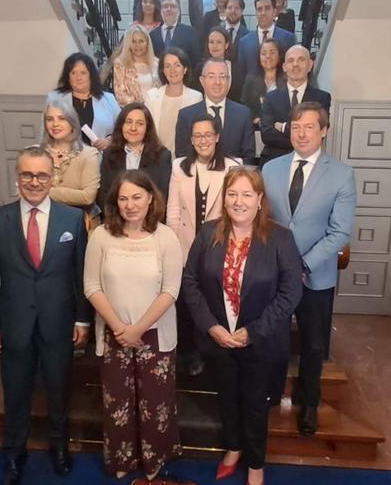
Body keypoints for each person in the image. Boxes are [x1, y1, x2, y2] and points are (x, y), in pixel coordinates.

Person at [182, 167, 302, 485]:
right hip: (218, 339)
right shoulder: (208, 233)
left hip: (260, 342)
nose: (239, 201)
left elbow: (291, 292)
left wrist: (253, 331)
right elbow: (190, 281)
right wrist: (211, 327)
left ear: (260, 199)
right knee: (227, 397)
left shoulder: (281, 238)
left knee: (255, 405)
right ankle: (233, 448)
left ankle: (255, 463)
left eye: (247, 194)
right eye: (232, 194)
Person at [0, 147, 89, 485]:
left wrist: (82, 320)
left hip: (59, 322)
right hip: (13, 324)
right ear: (17, 176)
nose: (34, 182)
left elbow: (80, 274)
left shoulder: (72, 219)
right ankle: (14, 454)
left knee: (58, 390)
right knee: (15, 392)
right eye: (27, 174)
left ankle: (59, 447)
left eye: (42, 175)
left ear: (53, 176)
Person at [262, 102, 356, 437]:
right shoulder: (270, 168)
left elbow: (340, 231)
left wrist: (303, 263)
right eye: (296, 126)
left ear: (324, 131)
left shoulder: (342, 174)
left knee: (314, 344)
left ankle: (309, 404)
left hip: (315, 276)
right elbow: (262, 220)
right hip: (272, 274)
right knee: (271, 337)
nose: (301, 133)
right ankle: (271, 396)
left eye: (309, 127)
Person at [84, 170, 183, 484]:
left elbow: (171, 289)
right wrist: (120, 328)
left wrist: (138, 328)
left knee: (156, 402)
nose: (130, 205)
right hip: (115, 335)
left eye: (136, 197)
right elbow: (90, 286)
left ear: (151, 198)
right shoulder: (101, 235)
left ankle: (154, 459)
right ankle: (123, 458)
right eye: (123, 198)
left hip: (155, 335)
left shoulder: (165, 237)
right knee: (118, 402)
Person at [167, 114, 241, 376]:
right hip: (185, 245)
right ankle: (188, 353)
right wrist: (174, 250)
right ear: (191, 139)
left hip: (217, 246)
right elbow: (174, 211)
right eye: (197, 135)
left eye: (207, 135)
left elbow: (234, 211)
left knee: (212, 301)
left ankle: (207, 353)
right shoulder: (179, 167)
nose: (202, 140)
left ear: (217, 137)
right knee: (186, 302)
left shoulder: (233, 166)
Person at [259, 44, 331, 166]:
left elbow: (318, 135)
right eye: (290, 61)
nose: (295, 65)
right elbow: (267, 135)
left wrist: (283, 127)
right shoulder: (271, 97)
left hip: (309, 162)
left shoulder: (322, 98)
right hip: (274, 161)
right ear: (284, 67)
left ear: (310, 65)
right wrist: (304, 137)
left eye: (301, 60)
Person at [175, 58, 256, 165]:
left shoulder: (243, 114)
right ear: (202, 81)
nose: (217, 82)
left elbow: (249, 156)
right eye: (211, 76)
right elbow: (182, 156)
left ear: (229, 80)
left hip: (233, 178)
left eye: (222, 77)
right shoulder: (186, 116)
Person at [98, 103, 173, 211]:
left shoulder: (162, 156)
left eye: (140, 123)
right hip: (116, 221)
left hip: (150, 222)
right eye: (128, 122)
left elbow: (162, 197)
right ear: (121, 125)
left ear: (147, 128)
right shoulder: (109, 154)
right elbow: (104, 195)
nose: (133, 128)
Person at [41, 94, 101, 228]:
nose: (55, 124)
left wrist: (45, 191)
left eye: (61, 118)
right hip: (43, 222)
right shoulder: (35, 153)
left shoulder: (88, 154)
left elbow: (88, 197)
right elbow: (22, 193)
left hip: (81, 224)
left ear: (72, 122)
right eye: (50, 119)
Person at [54, 53, 121, 151]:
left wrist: (110, 140)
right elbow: (47, 133)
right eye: (73, 73)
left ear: (91, 75)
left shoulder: (108, 99)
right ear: (67, 77)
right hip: (66, 158)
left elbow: (122, 127)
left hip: (101, 159)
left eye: (83, 73)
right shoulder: (57, 100)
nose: (78, 78)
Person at [144, 47, 203, 154]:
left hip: (185, 157)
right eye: (167, 66)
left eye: (177, 65)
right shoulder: (152, 96)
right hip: (156, 156)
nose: (172, 70)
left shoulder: (196, 97)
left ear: (185, 69)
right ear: (163, 71)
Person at [235, 0, 295, 88]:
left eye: (267, 8)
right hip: (251, 97)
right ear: (255, 13)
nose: (263, 12)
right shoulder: (244, 42)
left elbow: (292, 70)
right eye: (259, 9)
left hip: (280, 93)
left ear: (274, 11)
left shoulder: (288, 39)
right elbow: (241, 74)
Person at [151, 0, 202, 76]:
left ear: (179, 11)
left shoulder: (191, 33)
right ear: (161, 11)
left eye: (173, 6)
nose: (169, 9)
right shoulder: (152, 35)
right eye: (165, 6)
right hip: (159, 83)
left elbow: (196, 62)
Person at [240, 38, 285, 127]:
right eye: (263, 53)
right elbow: (244, 105)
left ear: (279, 56)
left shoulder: (287, 80)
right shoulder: (251, 80)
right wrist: (255, 118)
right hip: (256, 129)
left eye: (272, 52)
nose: (268, 56)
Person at [114, 25, 162, 106]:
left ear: (147, 42)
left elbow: (161, 90)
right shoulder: (120, 64)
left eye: (141, 41)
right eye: (133, 41)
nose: (137, 45)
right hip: (132, 112)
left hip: (155, 110)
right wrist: (141, 107)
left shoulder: (156, 63)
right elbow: (120, 95)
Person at [223, 0, 250, 100]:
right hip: (218, 84)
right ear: (225, 10)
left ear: (242, 11)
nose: (233, 11)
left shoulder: (248, 35)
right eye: (230, 7)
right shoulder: (215, 32)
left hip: (240, 90)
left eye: (237, 8)